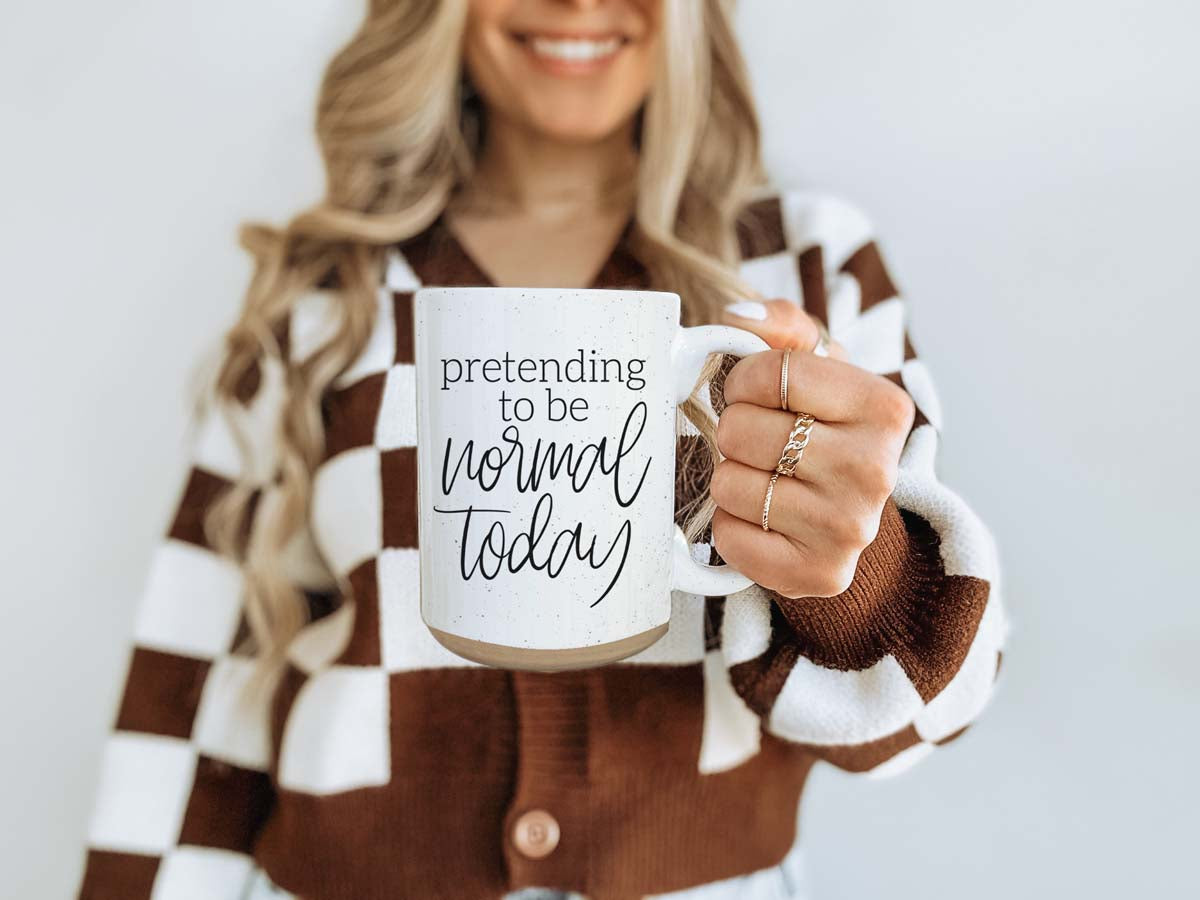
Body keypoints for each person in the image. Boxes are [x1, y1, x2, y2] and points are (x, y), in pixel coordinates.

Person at [77, 1, 1007, 898]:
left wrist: (864, 574)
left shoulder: (804, 268)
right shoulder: (327, 299)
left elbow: (925, 724)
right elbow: (192, 690)